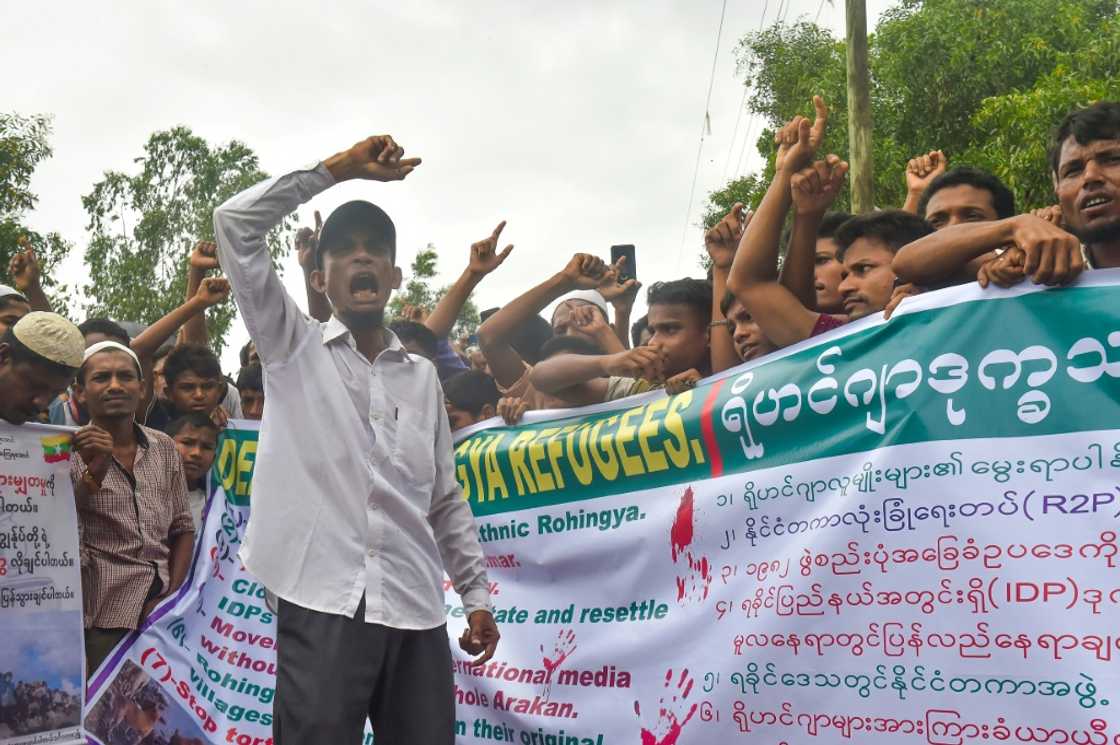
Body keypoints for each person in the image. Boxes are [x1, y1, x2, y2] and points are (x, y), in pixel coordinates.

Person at [214, 133, 498, 745]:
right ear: (321, 277)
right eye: (344, 252)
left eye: (375, 251)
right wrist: (335, 171)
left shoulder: (422, 380)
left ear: (394, 275)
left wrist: (475, 595)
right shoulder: (291, 349)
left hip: (415, 605)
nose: (361, 260)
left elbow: (443, 499)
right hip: (321, 600)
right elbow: (233, 224)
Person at [70, 341, 194, 675]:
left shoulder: (164, 446)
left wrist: (173, 595)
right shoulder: (64, 453)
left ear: (142, 389)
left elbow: (182, 527)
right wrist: (93, 473)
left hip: (166, 613)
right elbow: (60, 526)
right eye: (102, 378)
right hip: (104, 618)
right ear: (80, 392)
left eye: (125, 376)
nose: (114, 385)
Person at [891, 166, 1022, 287]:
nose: (952, 227)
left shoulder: (1033, 275)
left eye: (972, 216)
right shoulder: (909, 299)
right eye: (937, 222)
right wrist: (916, 193)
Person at [0, 312, 84, 425]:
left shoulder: (45, 436)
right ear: (3, 356)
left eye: (55, 393)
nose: (41, 403)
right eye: (33, 385)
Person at [145, 343, 240, 432]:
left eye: (207, 387)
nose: (199, 395)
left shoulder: (232, 432)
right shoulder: (156, 424)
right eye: (188, 388)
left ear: (219, 390)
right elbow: (141, 351)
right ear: (169, 393)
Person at [166, 413, 220, 530]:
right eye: (187, 443)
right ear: (165, 445)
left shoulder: (215, 506)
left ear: (214, 458)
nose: (196, 453)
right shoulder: (146, 496)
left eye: (206, 447)